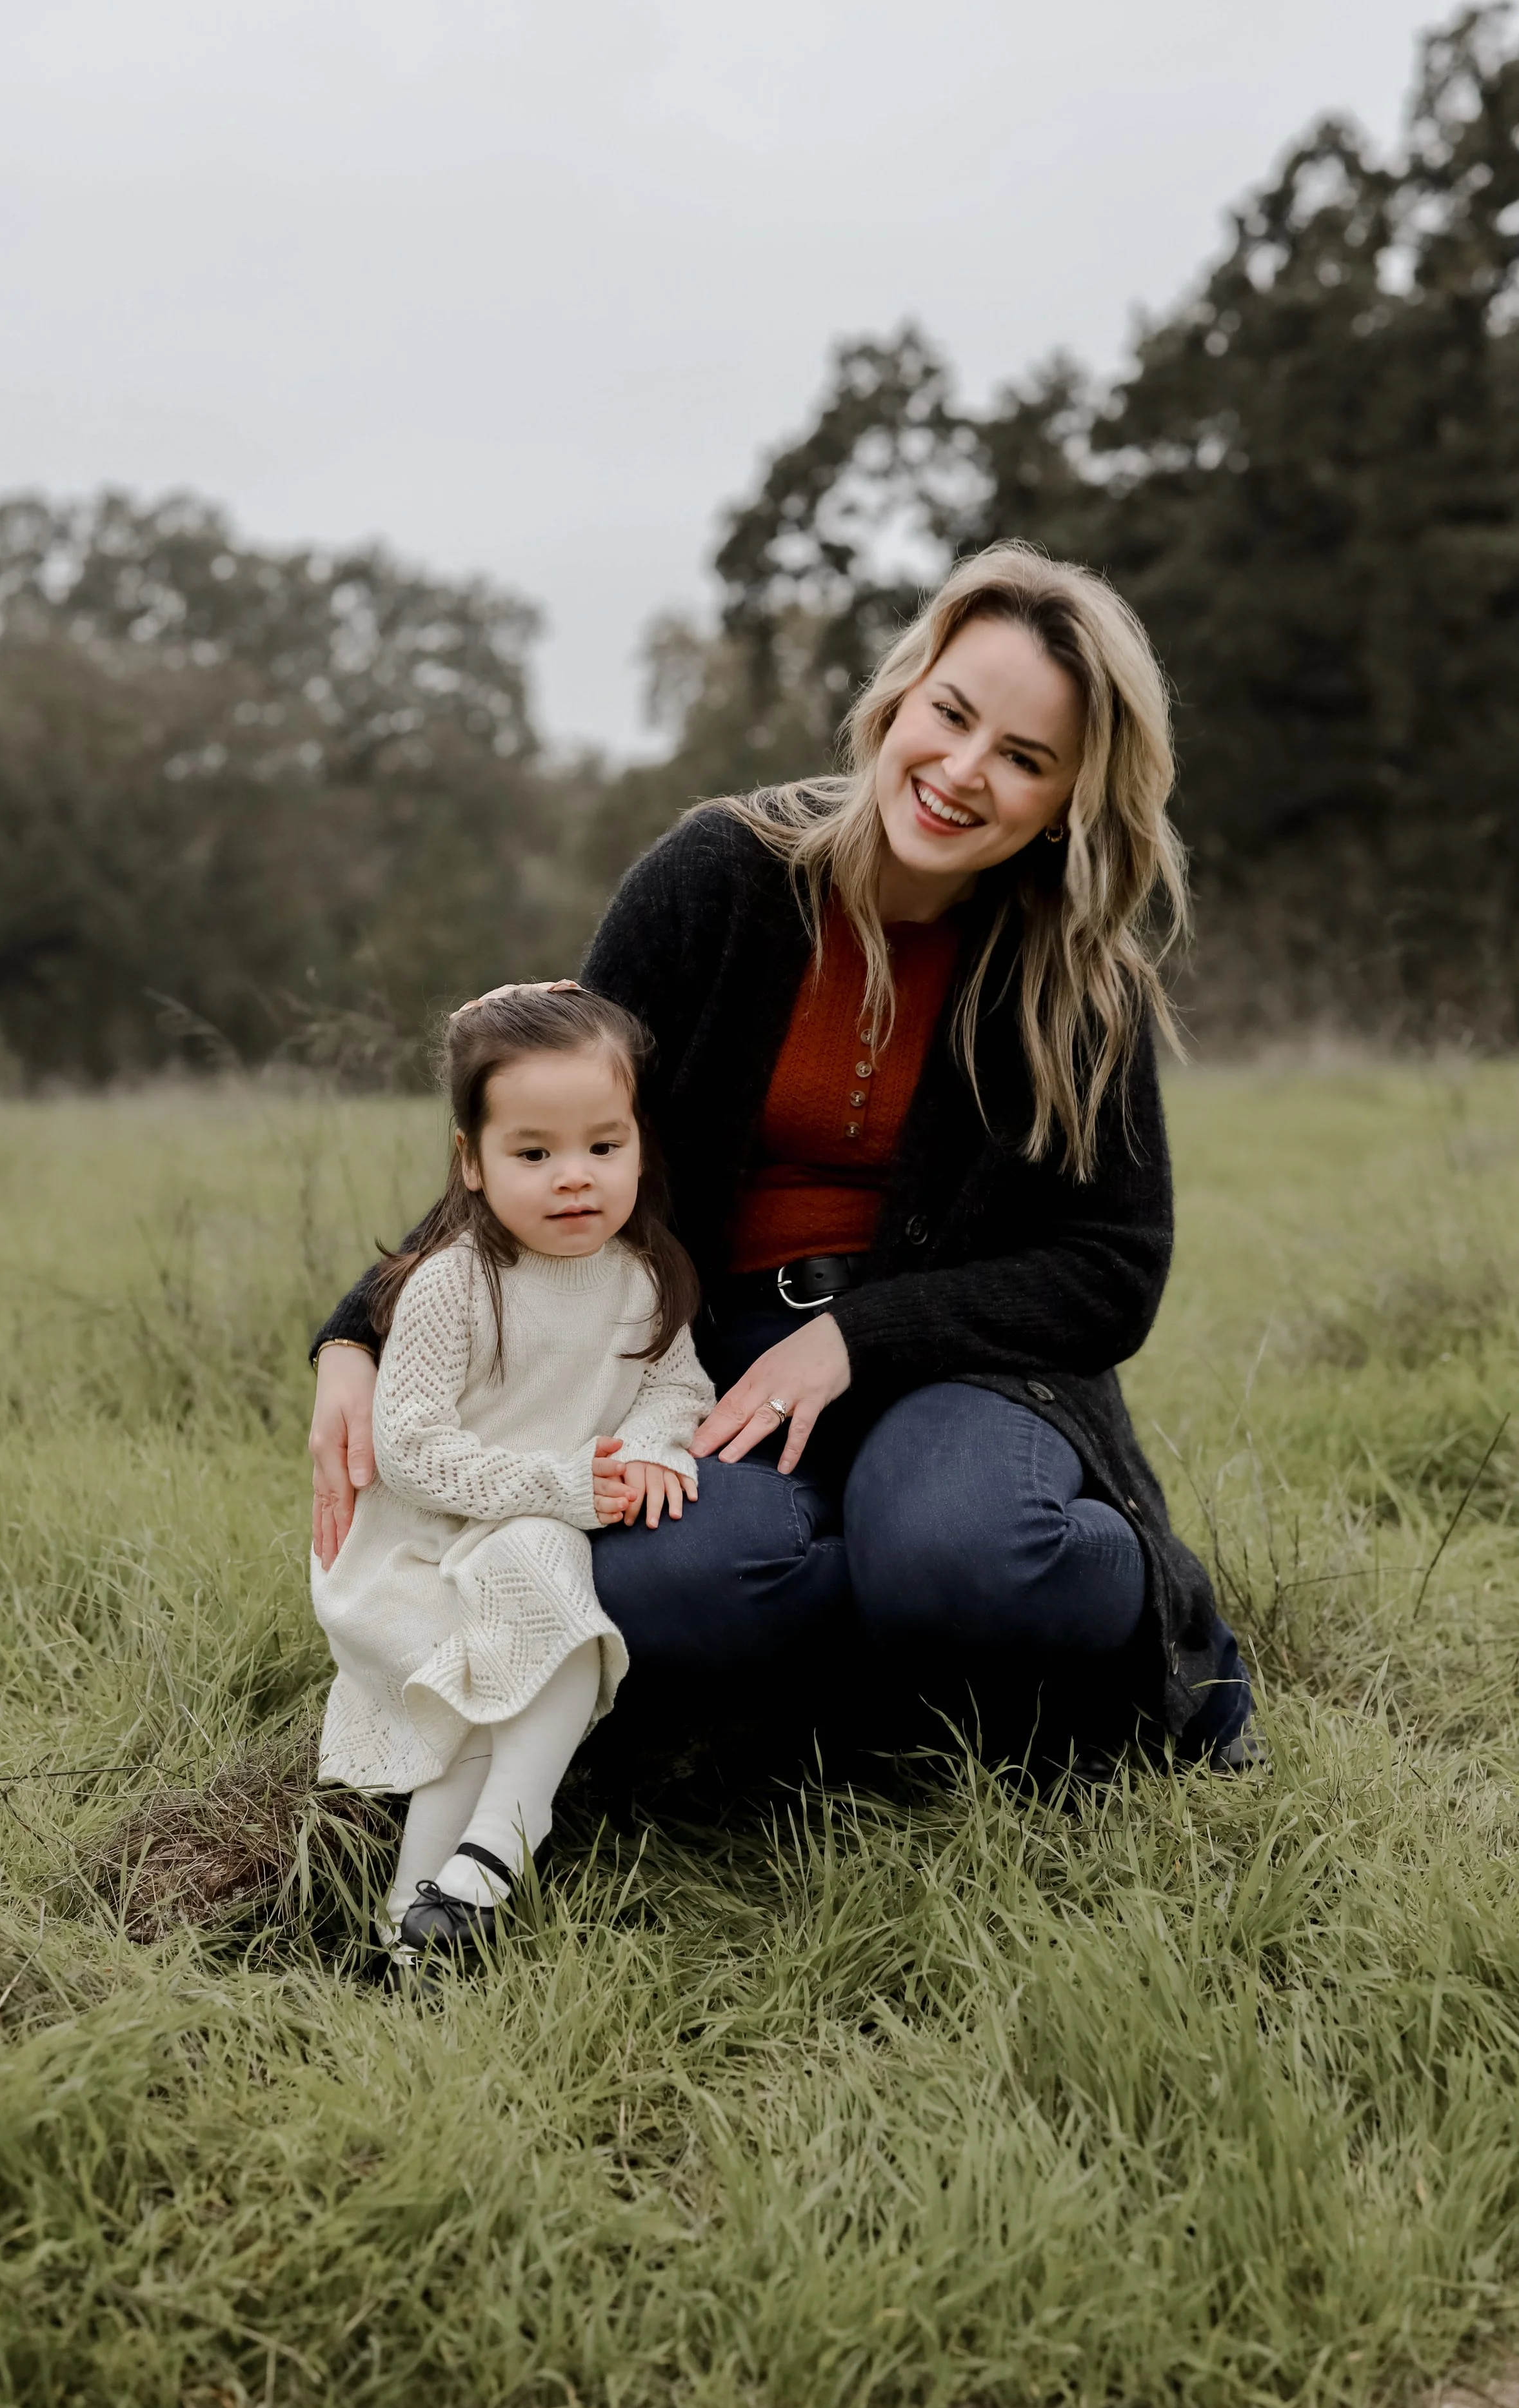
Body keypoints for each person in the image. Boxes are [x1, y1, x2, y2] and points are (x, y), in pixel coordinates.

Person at [311, 540, 1255, 1789]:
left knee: (965, 1552)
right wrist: (358, 1335)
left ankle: (1124, 1630)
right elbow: (559, 1135)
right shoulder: (720, 877)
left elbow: (1112, 1271)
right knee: (664, 1576)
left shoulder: (1075, 980)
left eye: (1023, 759)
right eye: (951, 715)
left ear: (1070, 797)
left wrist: (858, 1335)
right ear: (898, 696)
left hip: (962, 1372)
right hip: (707, 1358)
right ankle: (931, 1692)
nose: (963, 772)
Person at [310, 986, 712, 1962]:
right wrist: (567, 1484)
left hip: (523, 1538)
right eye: (534, 1154)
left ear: (638, 1146)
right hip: (420, 1544)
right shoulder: (454, 1280)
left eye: (603, 1147)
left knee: (541, 1633)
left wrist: (656, 1449)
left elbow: (678, 1384)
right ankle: (488, 1862)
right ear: (474, 1163)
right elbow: (409, 1448)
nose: (574, 1177)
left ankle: (423, 1930)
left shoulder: (644, 1273)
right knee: (506, 1663)